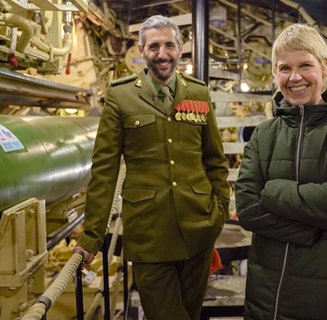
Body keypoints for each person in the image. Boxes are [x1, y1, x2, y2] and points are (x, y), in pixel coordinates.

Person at [75, 14, 231, 320]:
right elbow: (104, 171)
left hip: (198, 229)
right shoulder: (120, 96)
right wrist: (91, 237)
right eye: (155, 46)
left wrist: (220, 211)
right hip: (149, 233)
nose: (163, 54)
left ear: (181, 48)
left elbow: (214, 159)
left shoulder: (198, 93)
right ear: (141, 49)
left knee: (191, 313)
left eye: (169, 45)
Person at [235, 23, 327, 320]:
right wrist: (316, 228)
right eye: (284, 68)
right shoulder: (264, 134)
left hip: (324, 295)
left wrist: (273, 192)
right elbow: (247, 209)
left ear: (325, 67)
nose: (295, 77)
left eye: (305, 65)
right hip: (266, 293)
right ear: (275, 74)